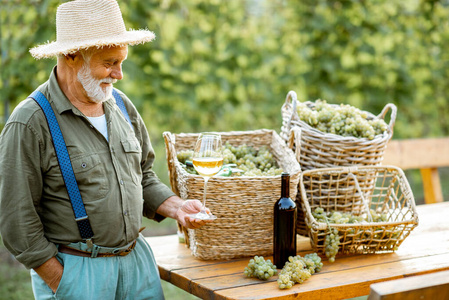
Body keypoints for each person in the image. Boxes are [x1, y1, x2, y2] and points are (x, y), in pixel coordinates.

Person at [0, 0, 212, 299]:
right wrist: (63, 281)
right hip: (77, 269)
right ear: (72, 55)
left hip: (137, 263)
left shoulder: (122, 105)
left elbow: (144, 176)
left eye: (121, 62)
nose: (119, 74)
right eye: (110, 63)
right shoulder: (30, 122)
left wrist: (178, 207)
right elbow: (17, 222)